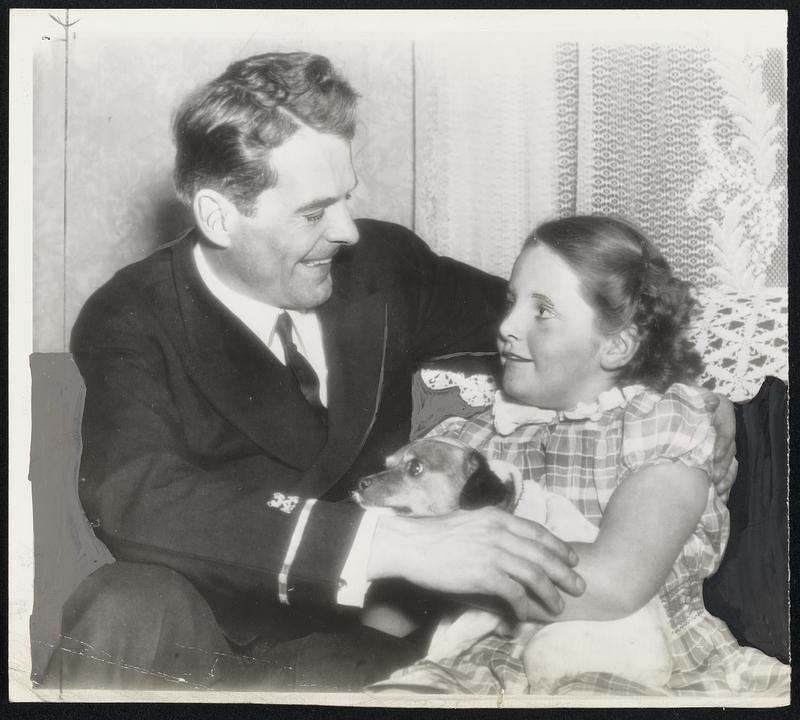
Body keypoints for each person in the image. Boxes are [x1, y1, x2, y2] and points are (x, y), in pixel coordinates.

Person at [48, 53, 735, 691]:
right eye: (316, 211)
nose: (348, 229)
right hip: (204, 631)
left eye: (346, 196)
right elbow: (134, 495)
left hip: (362, 641)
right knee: (126, 604)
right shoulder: (133, 316)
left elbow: (559, 327)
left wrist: (685, 384)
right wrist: (390, 541)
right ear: (219, 217)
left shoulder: (380, 267)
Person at [369, 216, 789, 696]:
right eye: (511, 302)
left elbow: (613, 584)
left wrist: (422, 558)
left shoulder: (661, 424)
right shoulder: (470, 439)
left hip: (628, 659)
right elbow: (388, 607)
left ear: (617, 344)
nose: (506, 326)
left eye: (542, 311)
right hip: (477, 665)